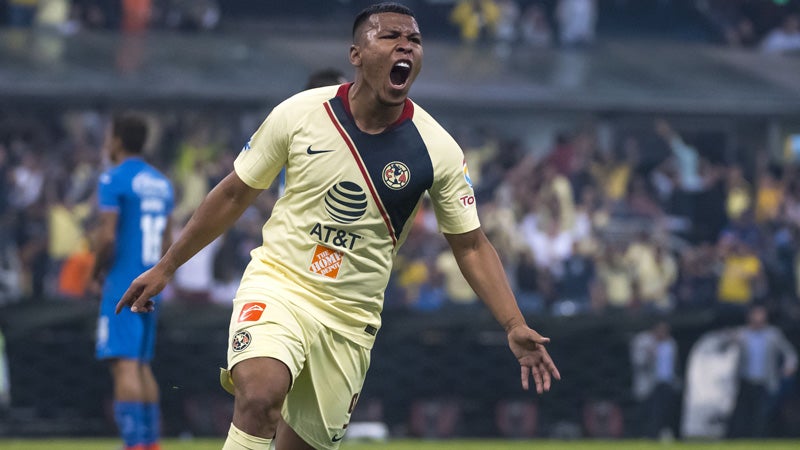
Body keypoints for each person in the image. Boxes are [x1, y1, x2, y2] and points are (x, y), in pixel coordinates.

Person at [116, 3, 560, 450]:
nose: (405, 44)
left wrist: (512, 323)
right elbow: (234, 193)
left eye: (415, 40)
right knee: (260, 394)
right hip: (280, 285)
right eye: (390, 36)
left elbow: (471, 245)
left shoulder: (438, 149)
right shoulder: (299, 113)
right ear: (357, 54)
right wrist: (166, 267)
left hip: (350, 318)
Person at [91, 114, 174, 450]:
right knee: (141, 365)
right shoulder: (162, 183)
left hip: (122, 283)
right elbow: (169, 240)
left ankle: (134, 444)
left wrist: (96, 271)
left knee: (123, 364)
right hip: (152, 281)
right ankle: (150, 443)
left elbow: (108, 237)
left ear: (117, 141)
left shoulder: (113, 179)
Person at [727, 305, 798, 438]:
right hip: (745, 381)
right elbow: (724, 347)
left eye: (760, 314)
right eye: (755, 314)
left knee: (762, 415)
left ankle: (759, 439)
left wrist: (789, 366)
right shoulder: (742, 334)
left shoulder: (773, 335)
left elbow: (790, 354)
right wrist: (732, 340)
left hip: (765, 381)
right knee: (742, 414)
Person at [630, 321, 680, 439]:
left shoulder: (670, 343)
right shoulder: (643, 340)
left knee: (664, 411)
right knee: (646, 412)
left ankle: (662, 433)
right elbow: (637, 363)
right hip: (648, 385)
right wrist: (650, 353)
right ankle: (643, 434)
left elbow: (674, 364)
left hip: (666, 384)